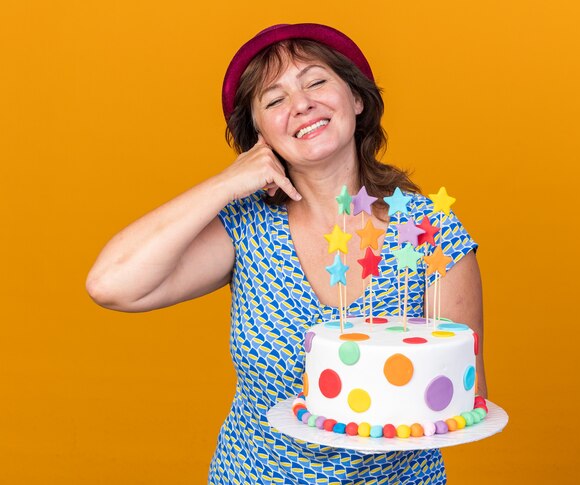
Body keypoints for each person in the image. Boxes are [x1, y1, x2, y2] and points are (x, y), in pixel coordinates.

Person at [86, 23, 487, 485]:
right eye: (274, 100)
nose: (301, 105)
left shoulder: (428, 230)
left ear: (356, 100)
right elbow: (109, 285)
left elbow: (465, 392)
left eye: (316, 82)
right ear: (259, 136)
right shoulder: (247, 227)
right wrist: (227, 182)